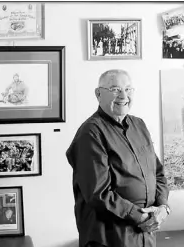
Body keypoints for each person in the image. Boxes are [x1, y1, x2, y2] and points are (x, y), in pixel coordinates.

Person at [66, 69, 170, 247]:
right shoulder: (91, 133)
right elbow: (99, 193)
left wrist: (163, 208)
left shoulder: (139, 125)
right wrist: (141, 216)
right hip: (112, 237)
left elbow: (158, 173)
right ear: (98, 94)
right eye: (115, 89)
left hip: (146, 234)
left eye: (128, 89)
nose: (123, 95)